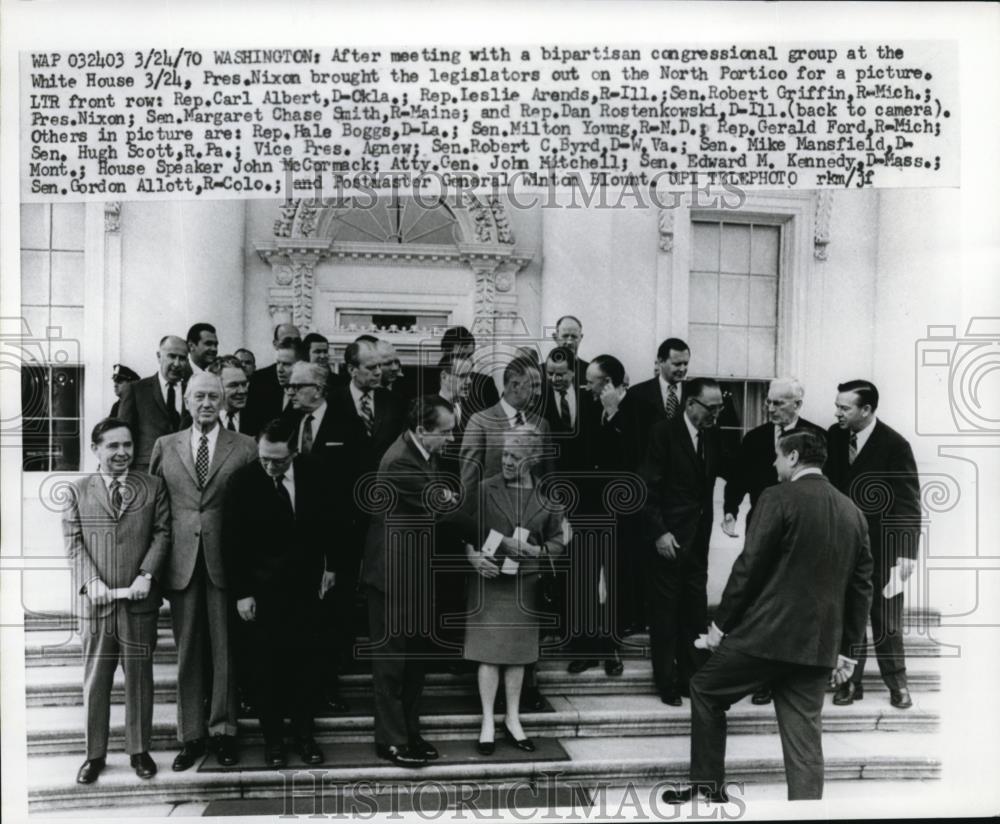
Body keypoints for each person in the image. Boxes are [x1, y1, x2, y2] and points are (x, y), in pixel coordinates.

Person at [663, 430, 873, 803]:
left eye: (777, 457)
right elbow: (861, 589)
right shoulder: (853, 512)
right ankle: (807, 813)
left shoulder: (776, 497)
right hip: (818, 646)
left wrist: (719, 625)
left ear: (793, 457)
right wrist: (848, 650)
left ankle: (708, 787)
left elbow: (749, 567)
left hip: (765, 637)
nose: (773, 464)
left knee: (704, 689)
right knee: (804, 739)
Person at [149, 372, 258, 770]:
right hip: (180, 563)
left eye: (214, 395)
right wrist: (153, 568)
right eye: (199, 396)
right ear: (188, 402)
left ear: (224, 401)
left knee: (225, 651)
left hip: (225, 561)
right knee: (188, 652)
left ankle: (224, 731)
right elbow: (155, 510)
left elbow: (252, 513)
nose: (207, 402)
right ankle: (191, 735)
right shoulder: (165, 445)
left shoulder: (245, 447)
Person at [64, 418, 171, 785]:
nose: (122, 453)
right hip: (97, 606)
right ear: (95, 449)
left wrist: (147, 575)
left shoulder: (153, 486)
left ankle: (139, 750)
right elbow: (74, 543)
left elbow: (162, 533)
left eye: (127, 445)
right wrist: (90, 582)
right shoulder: (77, 492)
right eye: (112, 446)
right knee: (96, 681)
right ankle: (94, 755)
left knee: (140, 678)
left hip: (139, 601)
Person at [224, 418, 334, 768]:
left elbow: (332, 523)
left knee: (306, 666)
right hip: (262, 593)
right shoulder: (242, 481)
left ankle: (304, 735)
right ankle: (273, 741)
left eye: (279, 461)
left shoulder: (315, 474)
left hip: (306, 589)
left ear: (295, 452)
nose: (271, 466)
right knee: (265, 670)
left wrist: (331, 567)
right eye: (265, 459)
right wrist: (242, 592)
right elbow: (233, 542)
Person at [361, 396, 457, 767]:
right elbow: (445, 507)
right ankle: (391, 740)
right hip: (391, 578)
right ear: (422, 430)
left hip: (414, 574)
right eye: (445, 432)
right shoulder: (401, 460)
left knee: (414, 661)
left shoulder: (422, 453)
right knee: (391, 664)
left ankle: (409, 732)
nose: (450, 439)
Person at [721, 377, 826, 705]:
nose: (770, 408)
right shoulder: (754, 438)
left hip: (801, 532)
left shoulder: (815, 437)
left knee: (791, 600)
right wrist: (729, 511)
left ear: (797, 403)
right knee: (759, 601)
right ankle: (762, 677)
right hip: (762, 527)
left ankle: (787, 672)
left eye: (778, 403)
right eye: (768, 401)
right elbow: (737, 477)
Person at [462, 426, 567, 755]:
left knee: (518, 655)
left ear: (533, 460)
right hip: (489, 580)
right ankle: (488, 721)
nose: (507, 461)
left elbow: (557, 543)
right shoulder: (483, 489)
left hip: (526, 584)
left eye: (515, 457)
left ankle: (512, 718)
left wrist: (537, 552)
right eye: (505, 454)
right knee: (489, 654)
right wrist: (473, 555)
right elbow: (464, 529)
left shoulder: (548, 499)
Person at [824, 380, 921, 709]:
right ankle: (850, 682)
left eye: (844, 408)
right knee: (847, 616)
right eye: (837, 406)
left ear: (865, 410)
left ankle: (898, 683)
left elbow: (908, 504)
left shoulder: (895, 445)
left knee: (887, 618)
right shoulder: (833, 438)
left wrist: (907, 555)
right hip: (842, 549)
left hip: (884, 550)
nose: (837, 412)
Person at [323, 339, 406, 711]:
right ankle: (332, 677)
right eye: (371, 367)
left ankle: (382, 678)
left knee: (380, 597)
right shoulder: (332, 403)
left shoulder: (393, 404)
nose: (379, 372)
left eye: (380, 367)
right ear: (351, 368)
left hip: (384, 520)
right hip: (341, 520)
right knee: (337, 600)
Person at [640, 377, 731, 705]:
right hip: (669, 541)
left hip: (698, 543)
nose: (716, 414)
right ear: (690, 403)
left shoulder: (712, 435)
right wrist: (660, 533)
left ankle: (690, 678)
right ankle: (666, 682)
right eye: (711, 407)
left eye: (720, 407)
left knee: (694, 612)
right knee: (665, 615)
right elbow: (647, 489)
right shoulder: (662, 434)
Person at [567, 354, 643, 675]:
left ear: (609, 382)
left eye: (592, 380)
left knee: (614, 582)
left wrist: (614, 414)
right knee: (585, 579)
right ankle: (586, 648)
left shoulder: (639, 412)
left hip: (621, 515)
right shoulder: (586, 409)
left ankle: (611, 648)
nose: (586, 385)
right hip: (587, 510)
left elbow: (634, 458)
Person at [117, 335, 191, 471]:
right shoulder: (136, 390)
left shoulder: (192, 391)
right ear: (159, 356)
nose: (177, 363)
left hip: (184, 473)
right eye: (172, 356)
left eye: (182, 358)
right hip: (147, 472)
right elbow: (123, 435)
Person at [629, 337, 691, 451]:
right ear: (661, 361)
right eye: (677, 364)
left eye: (686, 363)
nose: (682, 369)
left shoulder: (695, 392)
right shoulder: (637, 393)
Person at [245, 323, 302, 430]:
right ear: (275, 344)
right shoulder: (259, 380)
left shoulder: (308, 390)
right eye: (278, 363)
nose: (279, 370)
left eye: (286, 364)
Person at [441, 326, 499, 415]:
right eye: (460, 356)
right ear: (444, 353)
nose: (467, 361)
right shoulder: (425, 385)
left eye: (469, 355)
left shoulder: (485, 384)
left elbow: (497, 422)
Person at [209, 356, 254, 435]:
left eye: (244, 384)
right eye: (233, 385)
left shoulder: (257, 418)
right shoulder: (203, 419)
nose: (242, 391)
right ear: (216, 386)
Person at [551, 315, 589, 387]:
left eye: (574, 337)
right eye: (565, 336)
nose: (569, 342)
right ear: (555, 337)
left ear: (580, 338)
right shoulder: (541, 372)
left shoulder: (589, 372)